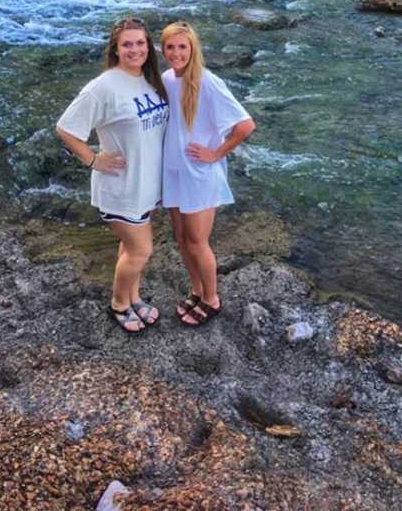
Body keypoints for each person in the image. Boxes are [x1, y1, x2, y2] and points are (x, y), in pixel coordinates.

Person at [56, 17, 168, 335]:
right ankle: (119, 305)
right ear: (116, 50)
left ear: (149, 46)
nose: (135, 49)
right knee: (141, 250)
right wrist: (93, 159)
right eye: (127, 44)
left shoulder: (149, 80)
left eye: (140, 43)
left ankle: (133, 296)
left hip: (145, 184)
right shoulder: (103, 87)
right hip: (120, 187)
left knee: (130, 249)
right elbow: (66, 128)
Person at [161, 21, 255, 327]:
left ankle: (212, 299)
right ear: (163, 49)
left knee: (198, 242)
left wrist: (215, 153)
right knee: (181, 239)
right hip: (174, 171)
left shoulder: (207, 82)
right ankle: (197, 290)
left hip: (199, 174)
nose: (176, 53)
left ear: (193, 49)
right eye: (170, 47)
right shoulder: (166, 79)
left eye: (182, 47)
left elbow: (245, 126)